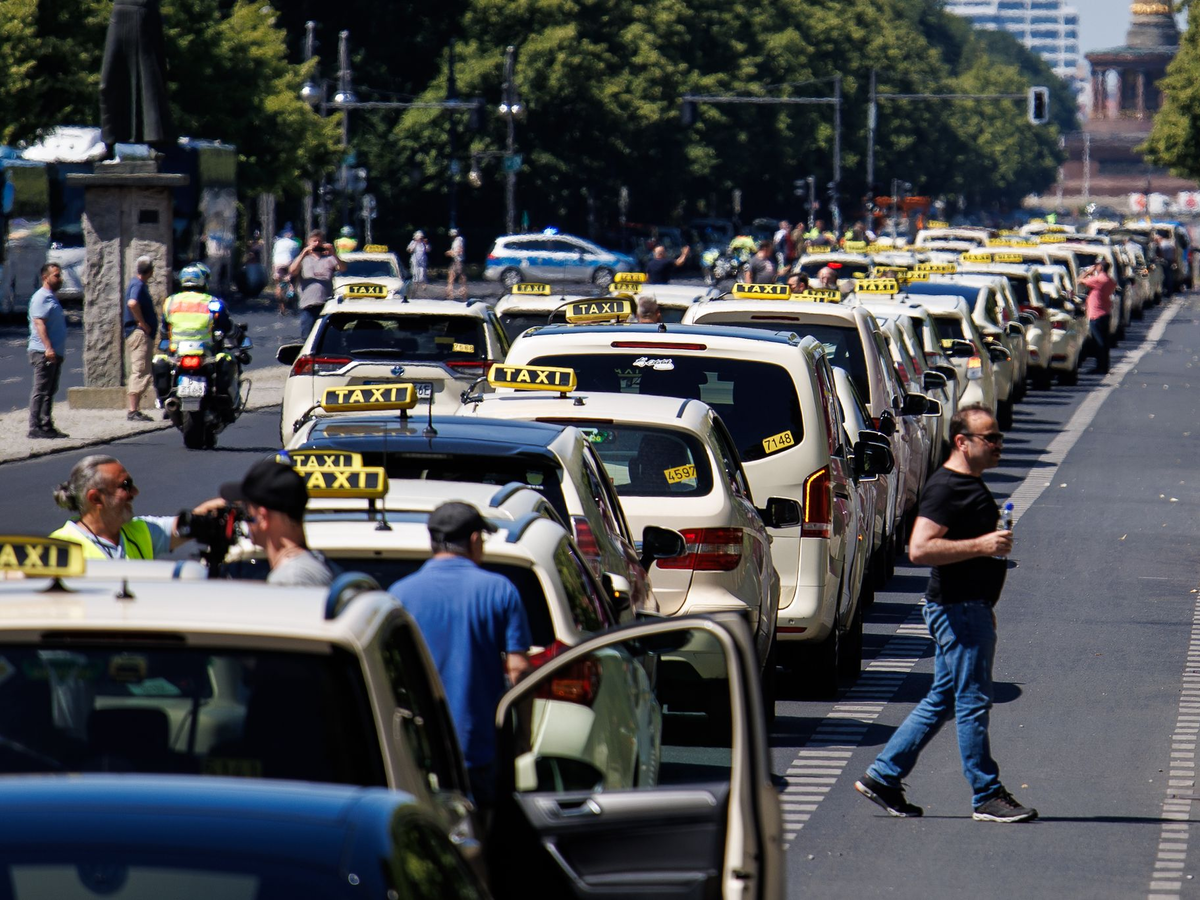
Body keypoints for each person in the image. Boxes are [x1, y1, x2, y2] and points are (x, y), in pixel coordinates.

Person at [855, 404, 1037, 824]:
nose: (998, 444)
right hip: (959, 608)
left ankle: (884, 776)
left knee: (944, 697)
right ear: (962, 442)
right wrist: (983, 546)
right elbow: (920, 549)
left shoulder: (967, 484)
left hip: (967, 608)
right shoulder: (947, 487)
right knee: (972, 700)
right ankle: (986, 794)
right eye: (989, 437)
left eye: (998, 437)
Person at [388, 501, 531, 810]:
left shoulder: (398, 594)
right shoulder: (500, 590)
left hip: (419, 752)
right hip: (479, 747)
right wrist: (522, 734)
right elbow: (518, 669)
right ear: (475, 540)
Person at [50, 455, 220, 559]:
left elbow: (193, 522)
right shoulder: (58, 548)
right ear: (95, 498)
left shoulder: (139, 531)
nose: (135, 492)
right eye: (126, 486)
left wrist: (231, 503)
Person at [219, 459, 334, 586]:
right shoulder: (304, 566)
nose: (244, 518)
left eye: (247, 510)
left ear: (263, 518)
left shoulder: (291, 579)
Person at [158, 264, 238, 412]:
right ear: (202, 281)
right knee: (226, 359)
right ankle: (223, 396)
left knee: (161, 362)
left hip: (178, 350)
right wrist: (234, 334)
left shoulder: (170, 301)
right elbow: (226, 325)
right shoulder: (212, 302)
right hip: (204, 348)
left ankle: (163, 398)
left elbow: (164, 328)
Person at [28, 263, 68, 440]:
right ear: (45, 277)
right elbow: (39, 324)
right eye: (56, 276)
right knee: (41, 389)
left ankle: (46, 424)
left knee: (50, 390)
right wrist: (48, 348)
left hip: (54, 352)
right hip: (43, 352)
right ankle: (35, 426)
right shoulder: (41, 297)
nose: (60, 279)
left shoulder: (51, 297)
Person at [289, 229, 346, 340]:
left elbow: (343, 268)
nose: (317, 244)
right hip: (308, 304)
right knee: (307, 337)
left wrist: (334, 253)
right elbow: (292, 271)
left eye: (319, 241)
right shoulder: (303, 260)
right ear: (308, 242)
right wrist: (303, 253)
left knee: (327, 337)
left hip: (326, 304)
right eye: (314, 241)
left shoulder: (329, 259)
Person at [123, 256, 158, 422]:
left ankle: (135, 408)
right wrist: (142, 323)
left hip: (138, 333)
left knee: (142, 370)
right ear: (150, 271)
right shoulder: (137, 285)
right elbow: (132, 303)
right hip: (139, 333)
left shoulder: (137, 283)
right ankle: (133, 410)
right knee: (140, 370)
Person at [1079, 259, 1116, 375]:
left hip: (1096, 315)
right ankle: (1104, 365)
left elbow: (1080, 280)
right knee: (1104, 341)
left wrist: (1088, 272)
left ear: (1101, 267)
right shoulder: (1109, 280)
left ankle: (1101, 366)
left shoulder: (1099, 279)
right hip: (1105, 313)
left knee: (1099, 342)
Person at [272, 225, 300, 315]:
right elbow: (297, 257)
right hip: (289, 262)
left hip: (278, 263)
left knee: (278, 284)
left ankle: (282, 308)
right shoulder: (294, 243)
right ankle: (292, 292)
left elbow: (274, 254)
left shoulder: (278, 242)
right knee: (292, 280)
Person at [445, 228, 467, 299]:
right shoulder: (457, 241)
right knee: (456, 276)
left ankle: (452, 293)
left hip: (458, 261)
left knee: (456, 277)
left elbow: (458, 251)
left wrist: (450, 253)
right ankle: (460, 291)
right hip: (456, 261)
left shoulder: (458, 241)